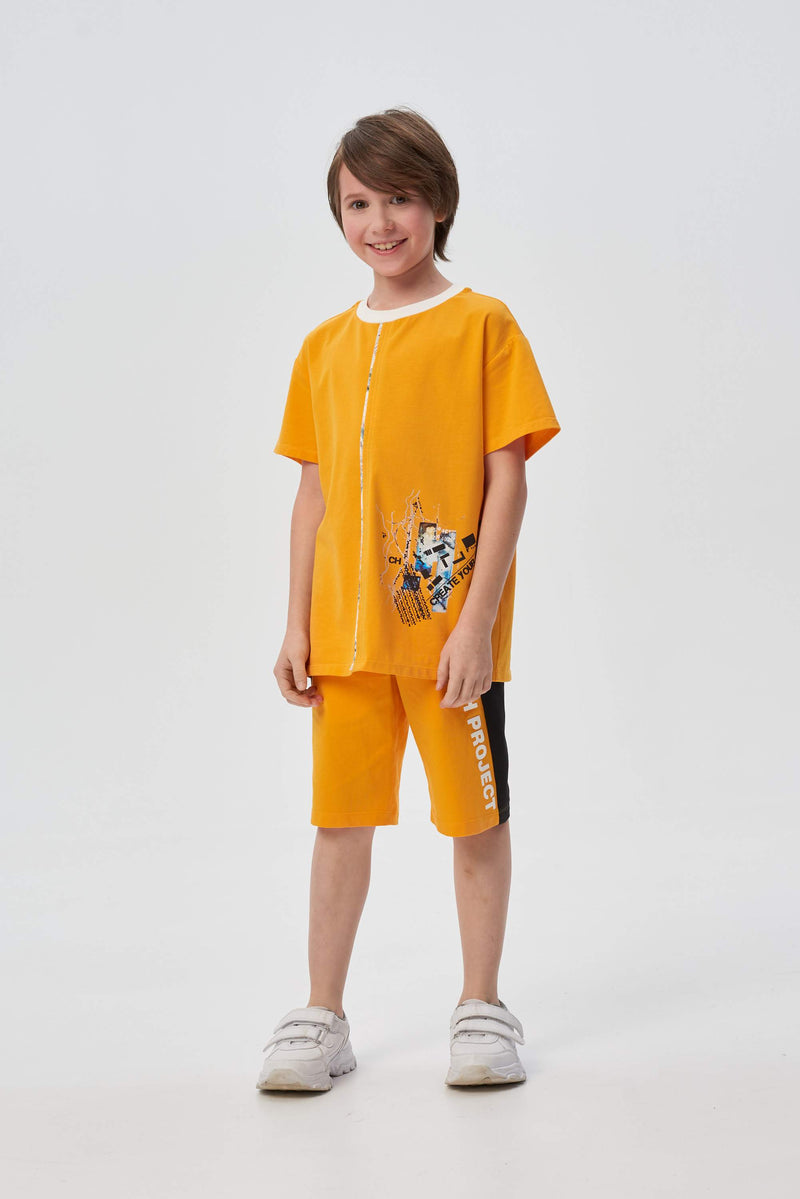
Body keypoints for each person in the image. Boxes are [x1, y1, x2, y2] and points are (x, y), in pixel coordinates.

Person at [257, 107, 561, 1092]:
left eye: (398, 197)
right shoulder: (323, 346)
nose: (378, 221)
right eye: (357, 202)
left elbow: (507, 482)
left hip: (447, 643)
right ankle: (322, 1014)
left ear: (437, 202)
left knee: (474, 819)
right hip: (345, 640)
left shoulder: (482, 325)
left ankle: (482, 1004)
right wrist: (296, 621)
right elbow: (311, 496)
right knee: (338, 820)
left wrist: (476, 622)